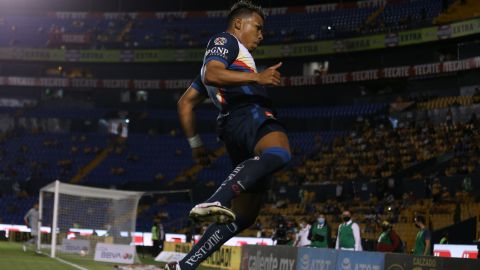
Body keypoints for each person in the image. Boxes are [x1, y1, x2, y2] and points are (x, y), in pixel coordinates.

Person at [170, 2, 291, 269]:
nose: (261, 35)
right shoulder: (226, 40)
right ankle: (216, 199)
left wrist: (195, 144)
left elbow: (185, 103)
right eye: (257, 28)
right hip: (248, 114)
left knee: (244, 215)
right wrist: (257, 78)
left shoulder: (226, 64)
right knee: (279, 152)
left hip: (233, 126)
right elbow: (212, 73)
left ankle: (183, 265)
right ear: (239, 23)